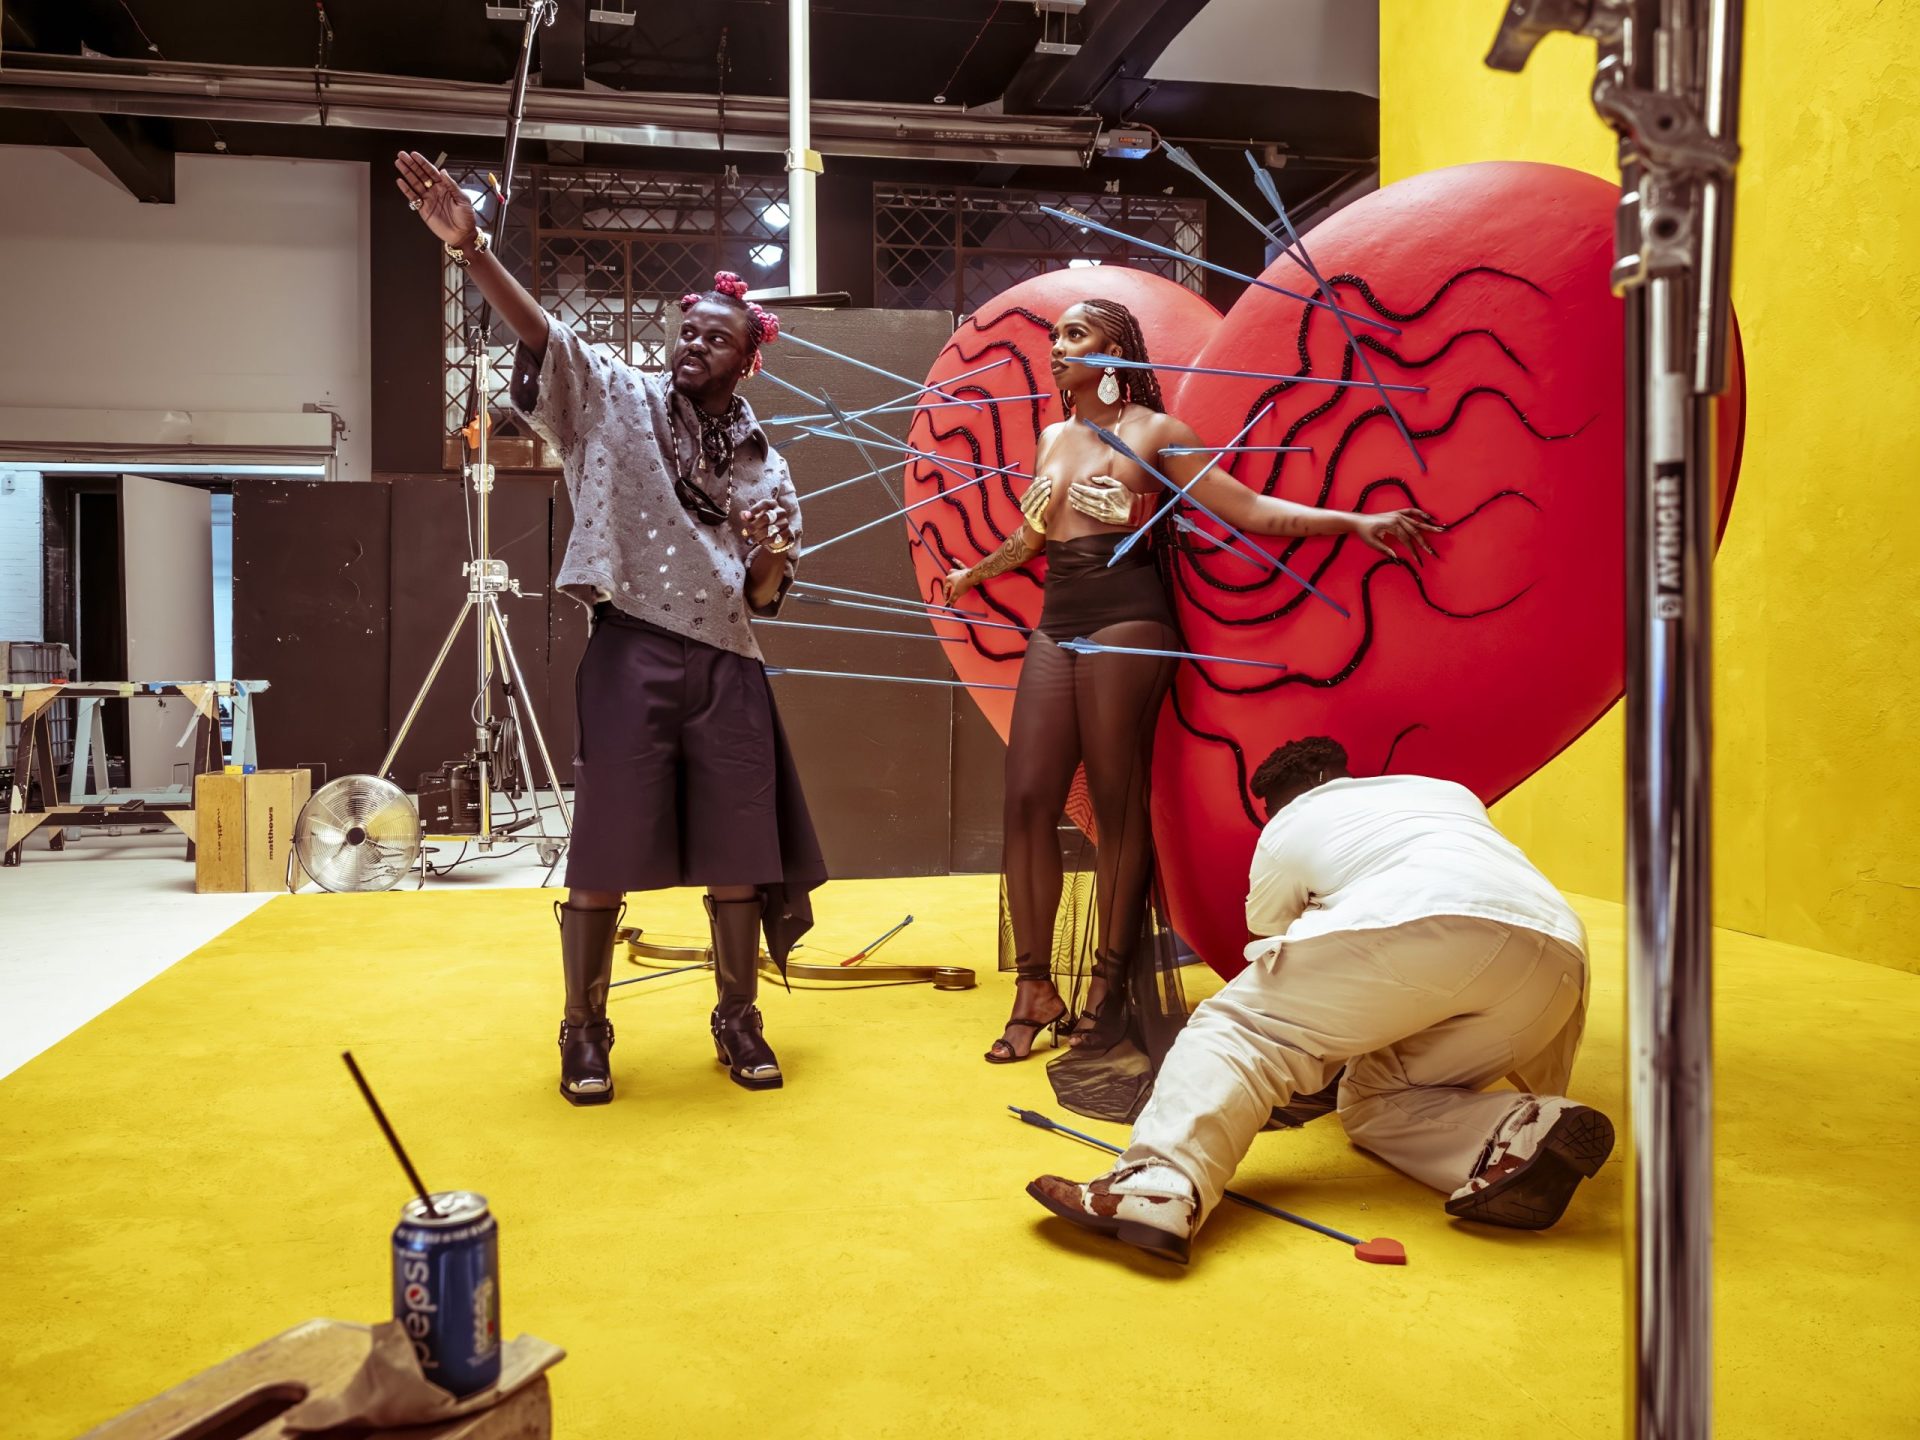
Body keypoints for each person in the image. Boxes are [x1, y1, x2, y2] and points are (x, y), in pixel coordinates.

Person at [393, 151, 826, 1104]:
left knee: (740, 853)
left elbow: (764, 597)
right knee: (603, 846)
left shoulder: (767, 464)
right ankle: (583, 1030)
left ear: (748, 358)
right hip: (631, 645)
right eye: (686, 331)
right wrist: (473, 251)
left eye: (714, 338)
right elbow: (544, 334)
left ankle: (738, 1018)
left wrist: (771, 548)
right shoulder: (619, 397)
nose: (692, 345)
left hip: (729, 663)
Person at [942, 300, 1439, 1065]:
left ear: (1115, 351)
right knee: (1027, 798)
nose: (1057, 348)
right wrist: (976, 573)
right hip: (1056, 621)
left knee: (1117, 802)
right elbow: (1034, 536)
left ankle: (1107, 987)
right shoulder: (1051, 437)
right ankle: (1035, 988)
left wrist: (1354, 522)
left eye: (1074, 335)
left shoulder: (1157, 434)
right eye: (1054, 337)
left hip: (1128, 620)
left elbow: (1248, 509)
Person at [1024, 736, 1612, 1262]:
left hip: (1413, 922)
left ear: (1276, 801)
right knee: (1376, 1098)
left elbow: (1268, 928)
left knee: (1242, 1029)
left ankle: (1157, 1184)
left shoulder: (1287, 825)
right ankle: (1522, 1129)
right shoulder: (1442, 792)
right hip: (1554, 960)